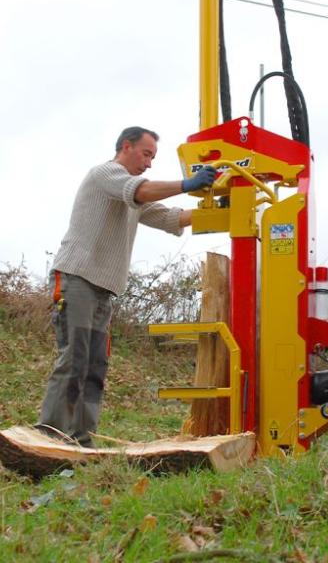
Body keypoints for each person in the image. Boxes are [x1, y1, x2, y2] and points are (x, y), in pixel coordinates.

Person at [35, 126, 216, 447]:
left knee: (95, 367)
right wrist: (188, 184)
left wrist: (214, 211)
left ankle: (80, 440)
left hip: (104, 289)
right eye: (146, 154)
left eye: (152, 158)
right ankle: (48, 435)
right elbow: (142, 191)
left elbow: (166, 217)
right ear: (127, 147)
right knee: (74, 359)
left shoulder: (132, 192)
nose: (149, 163)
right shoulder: (107, 175)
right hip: (76, 278)